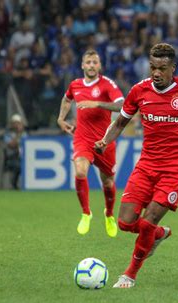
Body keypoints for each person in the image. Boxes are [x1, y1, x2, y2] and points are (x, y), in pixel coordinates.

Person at [94, 43, 178, 288]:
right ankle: (158, 235)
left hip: (177, 167)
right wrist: (105, 141)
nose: (156, 73)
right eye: (152, 67)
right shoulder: (139, 91)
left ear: (173, 68)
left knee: (148, 221)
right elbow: (119, 123)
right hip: (147, 164)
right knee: (126, 223)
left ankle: (129, 275)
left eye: (162, 68)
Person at [57, 49, 124, 237]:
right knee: (80, 170)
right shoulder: (75, 85)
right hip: (83, 138)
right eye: (88, 62)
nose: (92, 65)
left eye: (95, 62)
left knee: (108, 182)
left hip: (104, 141)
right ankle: (86, 213)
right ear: (82, 65)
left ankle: (109, 214)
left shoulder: (106, 85)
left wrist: (98, 104)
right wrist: (61, 118)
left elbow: (122, 105)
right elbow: (66, 98)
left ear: (100, 65)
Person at [3, 114, 27, 189]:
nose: (17, 125)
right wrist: (18, 134)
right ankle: (14, 185)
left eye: (18, 123)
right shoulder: (8, 134)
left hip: (24, 157)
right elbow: (11, 144)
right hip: (12, 158)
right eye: (15, 123)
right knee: (18, 166)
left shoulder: (25, 134)